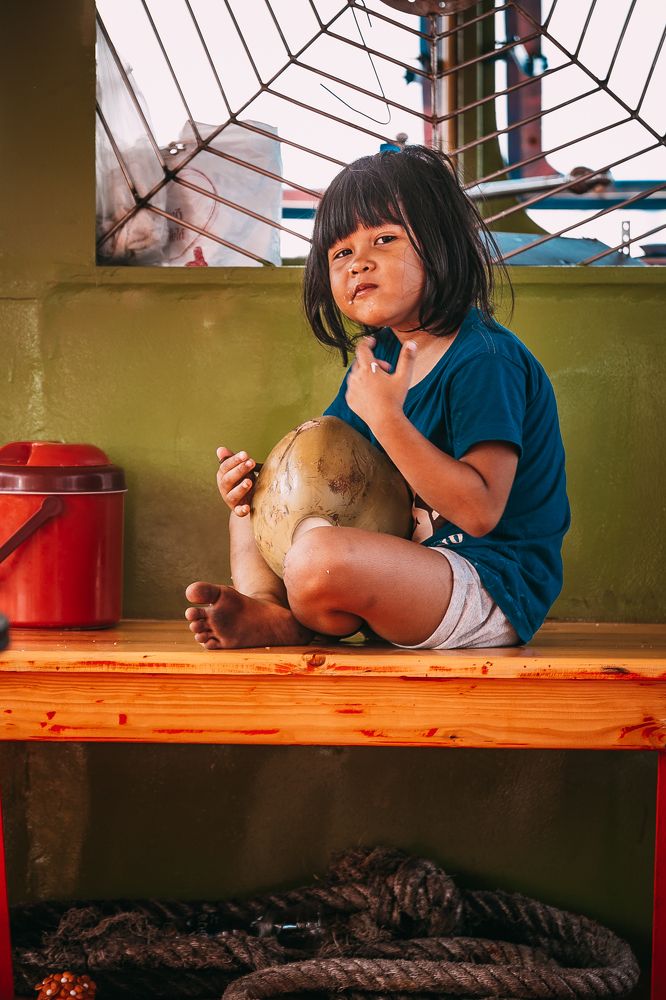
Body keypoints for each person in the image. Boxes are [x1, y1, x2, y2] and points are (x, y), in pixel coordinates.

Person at [185, 145, 570, 650]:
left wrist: (388, 419)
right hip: (395, 568)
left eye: (383, 239)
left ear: (441, 245)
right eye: (341, 252)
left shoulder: (485, 359)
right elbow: (326, 467)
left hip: (485, 584)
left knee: (319, 559)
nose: (357, 263)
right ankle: (269, 607)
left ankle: (296, 623)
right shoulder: (379, 358)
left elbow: (480, 512)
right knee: (258, 506)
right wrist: (252, 488)